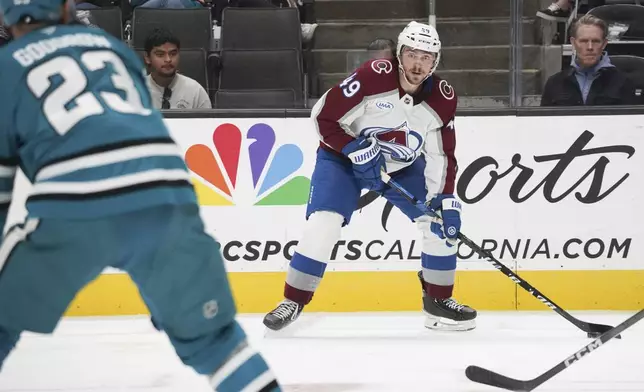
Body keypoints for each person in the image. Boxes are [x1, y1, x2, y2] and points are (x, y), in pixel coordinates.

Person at [0, 0, 280, 390]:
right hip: (166, 195)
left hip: (76, 205)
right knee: (217, 344)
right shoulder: (111, 50)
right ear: (65, 9)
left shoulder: (7, 67)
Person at [263, 21, 477, 332]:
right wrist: (351, 147)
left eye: (427, 57)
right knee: (324, 221)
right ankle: (293, 300)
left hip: (399, 167)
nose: (418, 64)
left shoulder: (442, 99)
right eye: (412, 54)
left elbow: (442, 154)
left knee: (439, 222)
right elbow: (323, 116)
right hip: (342, 160)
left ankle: (437, 301)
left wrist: (445, 197)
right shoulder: (373, 76)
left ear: (436, 60)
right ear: (399, 54)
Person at [541, 14, 640, 106]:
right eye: (583, 41)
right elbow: (544, 122)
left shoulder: (623, 83)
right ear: (573, 43)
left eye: (596, 41)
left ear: (604, 44)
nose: (590, 47)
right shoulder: (554, 83)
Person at [144, 27, 212, 110]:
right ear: (147, 58)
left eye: (173, 54)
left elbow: (207, 122)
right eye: (160, 54)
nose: (168, 59)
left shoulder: (195, 91)